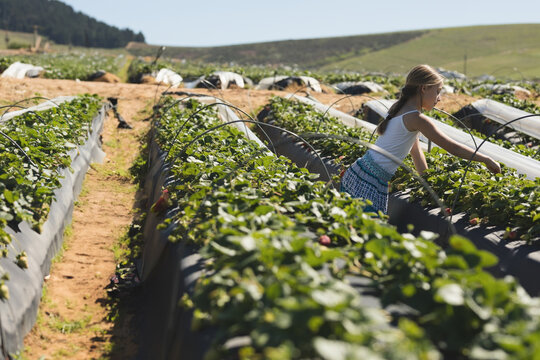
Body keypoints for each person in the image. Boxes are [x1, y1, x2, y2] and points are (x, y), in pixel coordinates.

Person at [340, 64, 501, 214]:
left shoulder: (401, 110)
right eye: (438, 91)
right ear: (424, 88)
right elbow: (453, 148)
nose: (439, 98)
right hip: (368, 182)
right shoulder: (416, 118)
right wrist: (486, 159)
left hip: (360, 174)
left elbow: (416, 152)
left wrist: (429, 188)